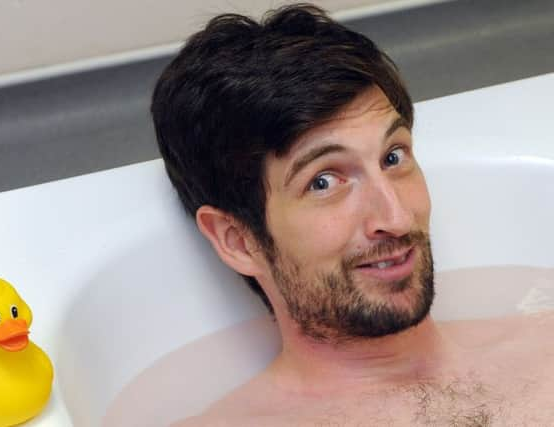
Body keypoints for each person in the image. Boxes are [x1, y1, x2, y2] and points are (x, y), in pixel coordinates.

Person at [151, 4, 554, 426]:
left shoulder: (542, 351)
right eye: (324, 181)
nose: (396, 218)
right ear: (238, 240)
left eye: (393, 156)